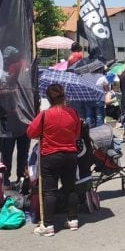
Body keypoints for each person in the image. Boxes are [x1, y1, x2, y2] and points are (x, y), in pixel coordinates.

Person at [26, 83, 81, 236]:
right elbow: (76, 135)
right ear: (63, 96)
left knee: (49, 191)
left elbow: (30, 133)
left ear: (48, 98)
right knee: (70, 188)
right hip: (70, 154)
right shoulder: (73, 113)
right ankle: (73, 220)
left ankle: (48, 225)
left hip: (50, 155)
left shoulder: (44, 115)